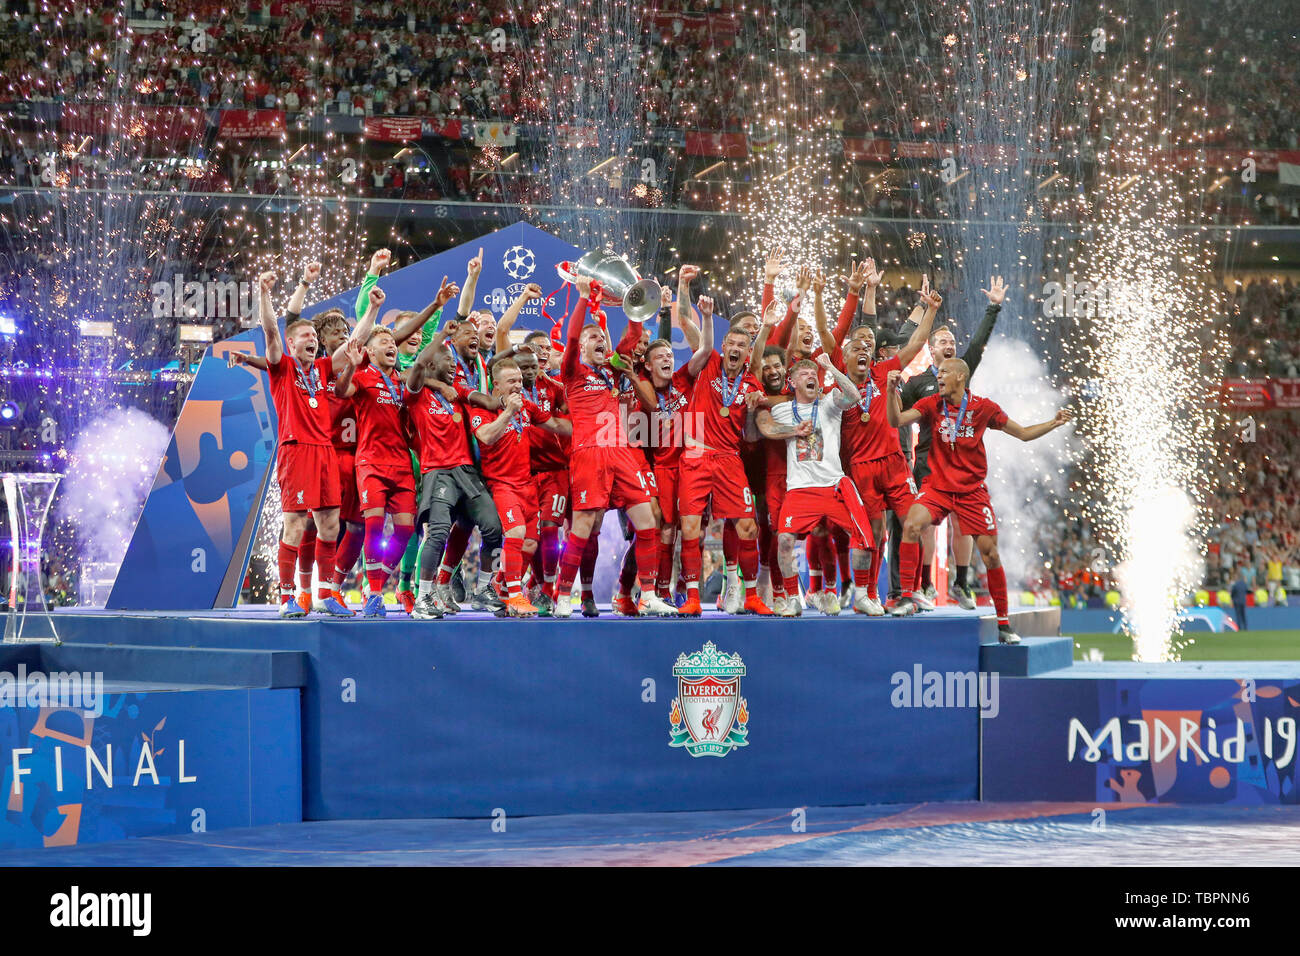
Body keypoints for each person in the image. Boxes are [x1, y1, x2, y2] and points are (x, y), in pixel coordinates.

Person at [886, 357, 1072, 643]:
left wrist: (1054, 423)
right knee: (912, 524)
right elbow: (896, 420)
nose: (940, 376)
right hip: (937, 487)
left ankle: (1003, 623)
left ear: (961, 377)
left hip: (972, 491)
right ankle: (908, 597)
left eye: (945, 372)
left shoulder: (983, 407)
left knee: (991, 554)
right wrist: (890, 392)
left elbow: (1022, 434)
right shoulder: (932, 404)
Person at [550, 273, 677, 618]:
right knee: (583, 527)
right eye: (593, 338)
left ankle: (648, 594)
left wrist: (636, 302)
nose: (598, 341)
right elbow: (573, 337)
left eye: (600, 337)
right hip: (589, 452)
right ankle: (564, 596)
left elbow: (633, 334)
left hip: (622, 452)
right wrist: (580, 299)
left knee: (648, 521)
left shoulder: (616, 369)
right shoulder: (572, 370)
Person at [889, 276, 1005, 609]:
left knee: (961, 522)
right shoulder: (917, 382)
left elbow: (979, 343)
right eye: (942, 340)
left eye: (952, 339)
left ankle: (961, 582)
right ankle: (925, 584)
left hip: (963, 466)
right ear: (930, 347)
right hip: (927, 461)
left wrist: (993, 307)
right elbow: (897, 417)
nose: (949, 344)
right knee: (924, 524)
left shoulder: (961, 372)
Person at [256, 263, 352, 619]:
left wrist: (372, 308)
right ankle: (286, 598)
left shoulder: (324, 370)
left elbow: (352, 347)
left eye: (315, 336)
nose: (312, 339)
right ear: (291, 342)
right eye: (305, 336)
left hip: (325, 451)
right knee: (294, 525)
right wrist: (264, 291)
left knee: (331, 524)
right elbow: (269, 329)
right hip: (296, 450)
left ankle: (325, 594)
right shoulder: (281, 367)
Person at [756, 354, 877, 616]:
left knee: (863, 538)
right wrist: (793, 431)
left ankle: (862, 596)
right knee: (785, 540)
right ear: (792, 382)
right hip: (800, 488)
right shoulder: (782, 409)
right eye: (804, 374)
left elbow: (854, 396)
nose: (811, 376)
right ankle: (791, 598)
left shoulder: (829, 403)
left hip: (834, 484)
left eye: (814, 374)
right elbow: (766, 428)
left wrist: (830, 368)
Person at [470, 355, 572, 616]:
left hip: (527, 485)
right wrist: (508, 412)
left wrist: (589, 426)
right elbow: (487, 436)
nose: (518, 385)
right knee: (514, 533)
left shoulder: (526, 405)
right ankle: (516, 595)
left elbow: (555, 425)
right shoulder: (481, 408)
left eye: (519, 380)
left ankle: (502, 587)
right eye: (511, 381)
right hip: (502, 485)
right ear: (496, 385)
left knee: (529, 544)